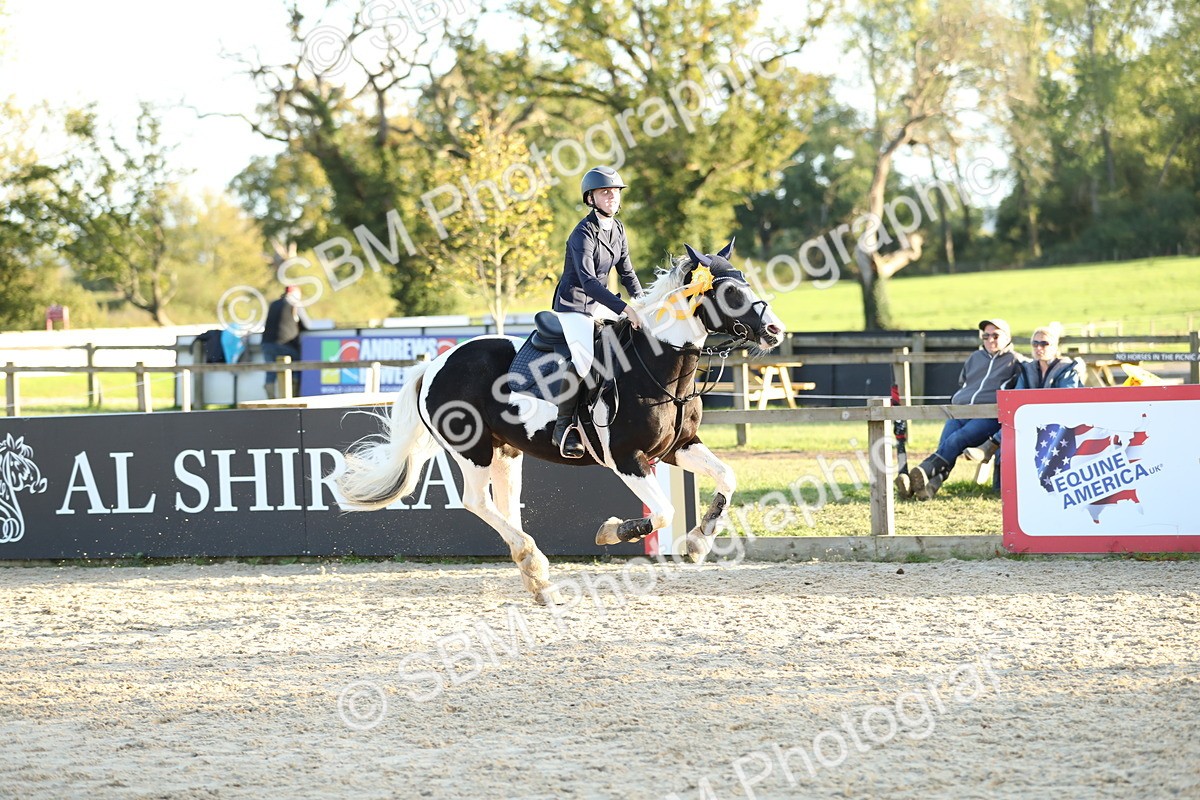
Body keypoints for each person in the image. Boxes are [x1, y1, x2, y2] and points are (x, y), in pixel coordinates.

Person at [550, 165, 647, 458]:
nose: (612, 198)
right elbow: (589, 282)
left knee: (634, 341)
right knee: (584, 362)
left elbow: (627, 272)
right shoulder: (582, 234)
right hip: (575, 304)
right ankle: (563, 426)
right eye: (605, 193)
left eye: (615, 193)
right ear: (590, 198)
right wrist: (626, 308)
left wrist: (643, 303)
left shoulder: (618, 229)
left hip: (601, 301)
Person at [895, 318, 1024, 501]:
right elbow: (964, 383)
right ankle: (927, 488)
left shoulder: (1016, 361)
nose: (990, 340)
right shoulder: (975, 358)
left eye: (995, 335)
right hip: (960, 411)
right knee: (946, 444)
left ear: (1007, 337)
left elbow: (1022, 388)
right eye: (985, 336)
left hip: (988, 416)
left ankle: (922, 471)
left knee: (956, 440)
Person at [963, 322, 1086, 475]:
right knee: (1013, 418)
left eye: (1044, 344)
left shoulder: (1067, 370)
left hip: (1060, 421)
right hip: (1031, 419)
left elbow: (1066, 400)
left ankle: (991, 445)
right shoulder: (1028, 369)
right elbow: (1017, 398)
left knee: (1018, 423)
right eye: (1035, 344)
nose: (1039, 348)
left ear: (1055, 347)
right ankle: (997, 470)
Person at [262, 285, 311, 399]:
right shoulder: (295, 304)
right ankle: (291, 399)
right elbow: (307, 325)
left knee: (270, 372)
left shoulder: (273, 304)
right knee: (294, 369)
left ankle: (271, 400)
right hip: (287, 343)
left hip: (267, 343)